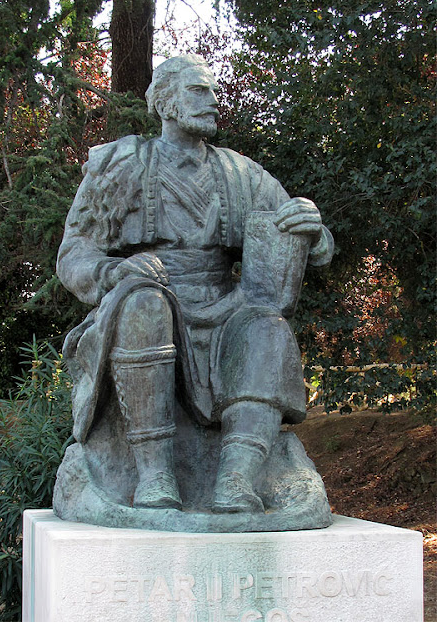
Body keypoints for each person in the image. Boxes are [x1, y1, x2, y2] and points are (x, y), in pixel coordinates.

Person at [56, 54, 333, 515]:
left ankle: (237, 478)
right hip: (148, 299)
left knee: (268, 326)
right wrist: (113, 272)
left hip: (226, 309)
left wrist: (312, 228)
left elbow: (304, 237)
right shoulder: (120, 165)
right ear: (165, 102)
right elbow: (74, 254)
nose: (213, 101)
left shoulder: (240, 172)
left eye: (214, 91)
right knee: (145, 308)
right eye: (198, 91)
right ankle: (154, 474)